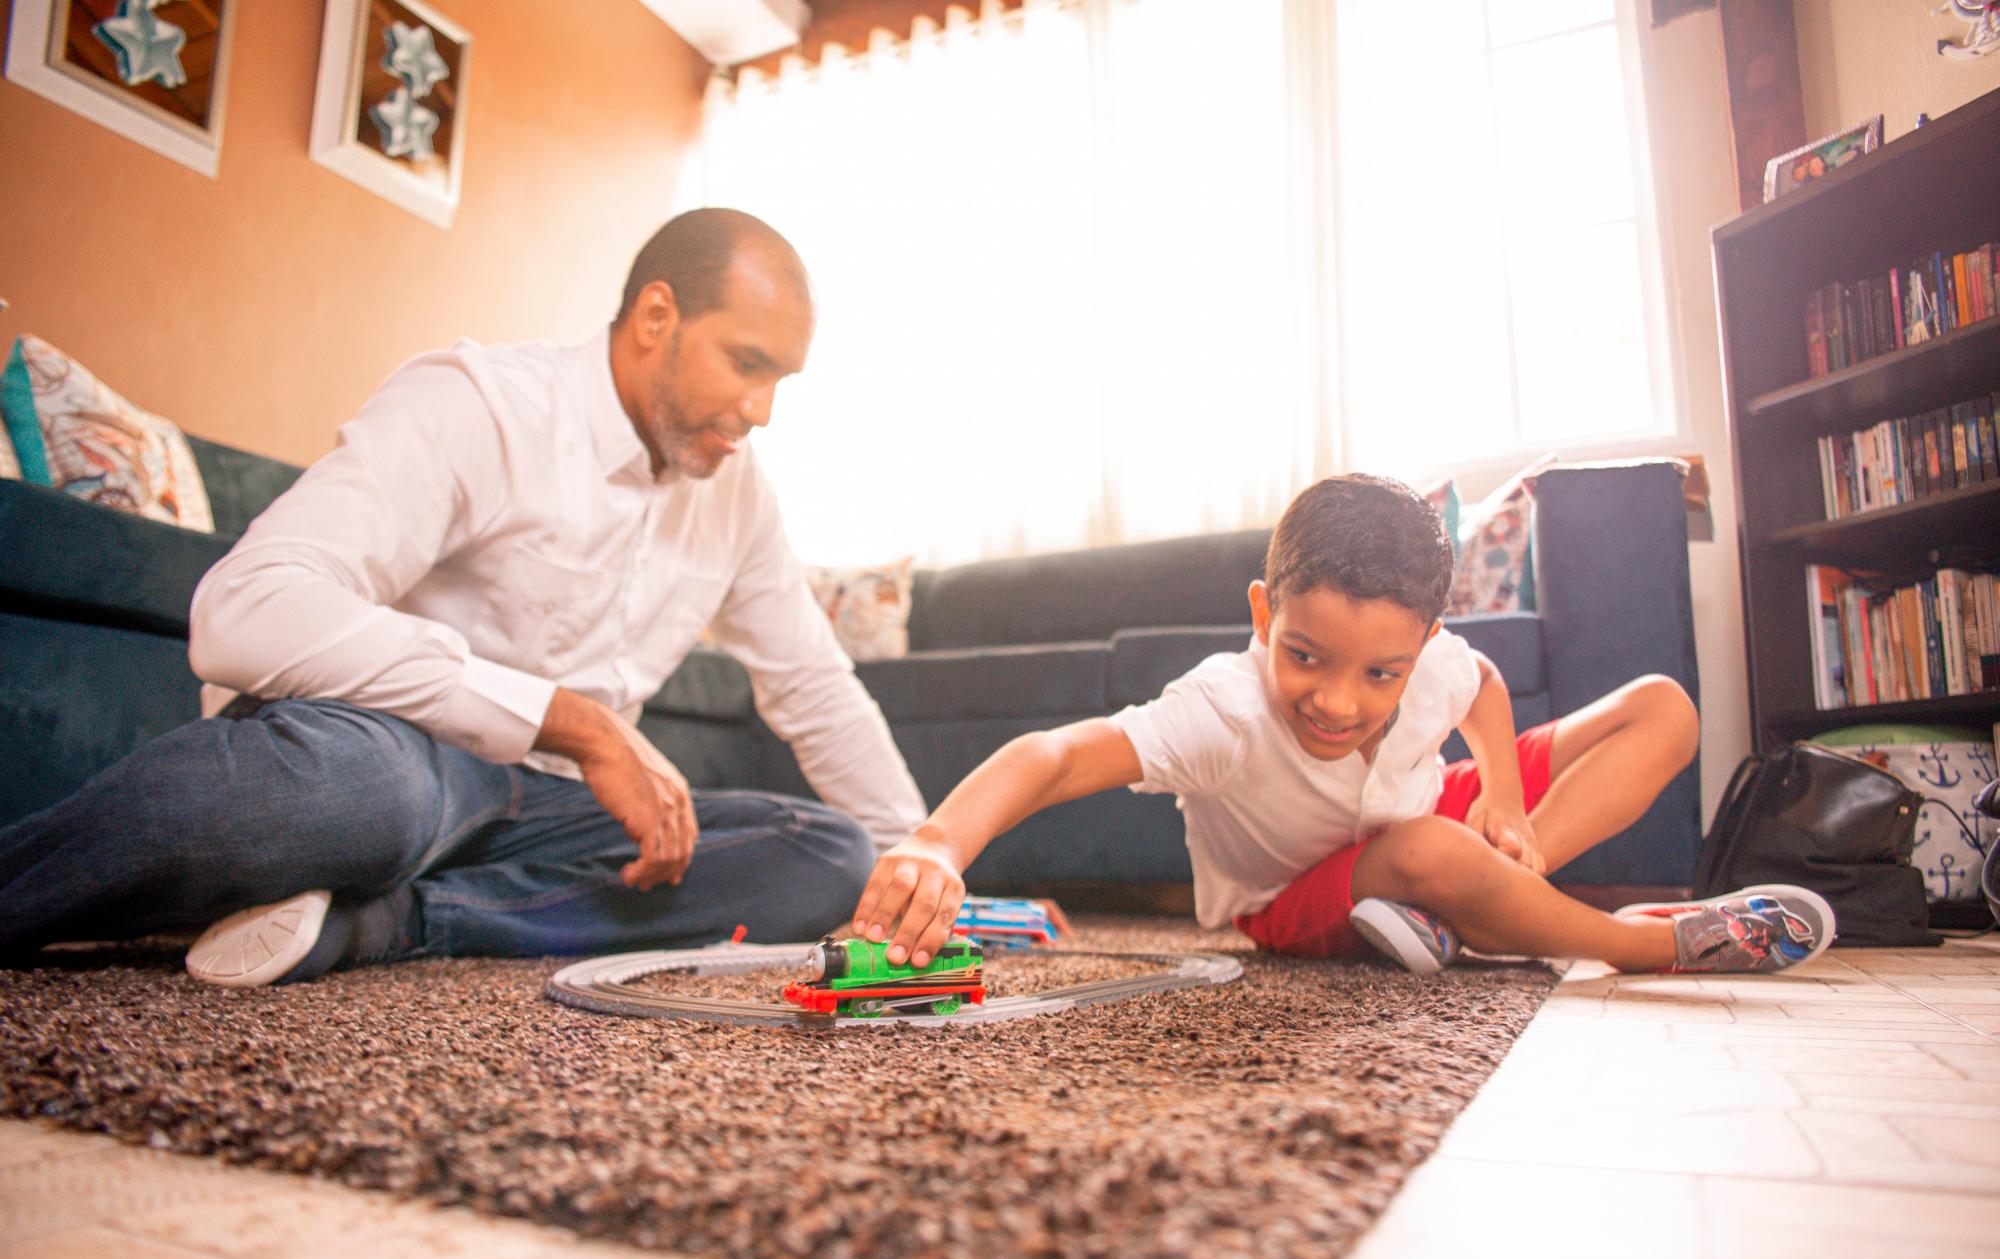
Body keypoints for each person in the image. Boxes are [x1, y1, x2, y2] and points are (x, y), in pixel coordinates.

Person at [0, 208, 926, 987]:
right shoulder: (481, 404)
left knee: (829, 856)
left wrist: (926, 861)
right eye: (746, 363)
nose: (761, 411)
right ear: (656, 316)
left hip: (557, 815)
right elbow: (242, 607)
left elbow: (814, 684)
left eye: (780, 381)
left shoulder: (738, 493)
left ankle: (384, 922)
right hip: (397, 764)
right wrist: (572, 721)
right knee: (349, 800)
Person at [847, 474, 1834, 977]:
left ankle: (1487, 898)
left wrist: (1500, 794)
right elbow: (1054, 757)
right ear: (1260, 618)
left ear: (1420, 642)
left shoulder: (1438, 660)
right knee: (1432, 852)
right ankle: (1635, 947)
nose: (1337, 701)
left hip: (1424, 817)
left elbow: (1482, 684)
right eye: (1303, 656)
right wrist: (938, 840)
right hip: (1294, 895)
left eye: (1380, 673)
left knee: (1659, 707)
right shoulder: (1223, 711)